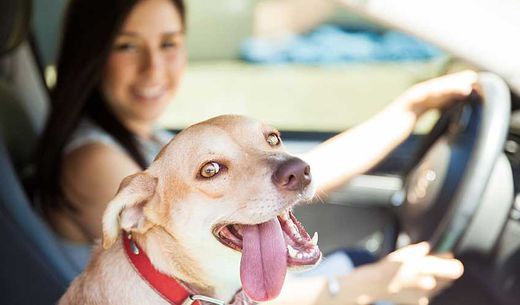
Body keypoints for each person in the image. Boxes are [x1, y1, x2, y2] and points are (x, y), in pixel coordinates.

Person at [34, 0, 472, 304]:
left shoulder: (152, 139)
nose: (155, 67)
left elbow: (302, 172)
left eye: (169, 42)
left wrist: (409, 109)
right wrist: (375, 284)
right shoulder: (94, 160)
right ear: (93, 53)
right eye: (127, 45)